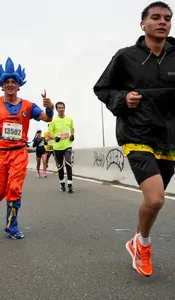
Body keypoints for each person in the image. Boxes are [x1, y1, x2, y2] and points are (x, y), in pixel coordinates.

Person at [93, 1, 174, 277]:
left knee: (155, 201)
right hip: (136, 133)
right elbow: (102, 88)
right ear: (144, 25)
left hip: (169, 137)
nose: (162, 22)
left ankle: (137, 241)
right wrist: (122, 99)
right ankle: (144, 245)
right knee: (155, 199)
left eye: (167, 18)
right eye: (156, 17)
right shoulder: (126, 57)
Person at [0, 57, 54, 239]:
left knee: (14, 189)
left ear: (19, 84)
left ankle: (11, 226)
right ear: (2, 85)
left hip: (19, 153)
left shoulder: (28, 106)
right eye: (7, 82)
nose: (11, 84)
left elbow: (47, 118)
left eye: (14, 81)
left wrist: (50, 108)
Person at [48, 102, 75, 193]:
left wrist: (72, 135)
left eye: (62, 107)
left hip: (68, 145)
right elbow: (49, 133)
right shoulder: (54, 121)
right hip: (57, 147)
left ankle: (70, 184)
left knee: (68, 163)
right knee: (60, 166)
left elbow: (72, 128)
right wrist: (55, 138)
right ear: (56, 109)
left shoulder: (69, 119)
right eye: (59, 108)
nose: (61, 109)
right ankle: (62, 183)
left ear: (64, 108)